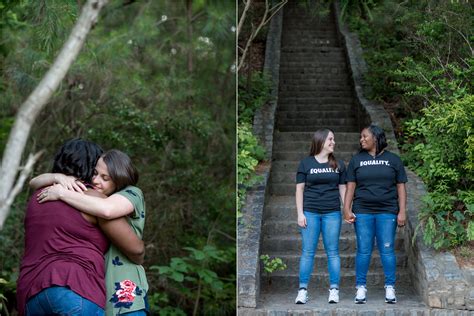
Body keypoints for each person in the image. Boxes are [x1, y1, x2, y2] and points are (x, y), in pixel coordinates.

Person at [17, 139, 144, 316]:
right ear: (92, 166)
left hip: (31, 295)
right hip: (76, 288)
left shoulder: (38, 196)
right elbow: (135, 248)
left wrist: (55, 180)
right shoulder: (92, 198)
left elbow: (34, 182)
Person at [343, 124, 407, 304]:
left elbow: (401, 186)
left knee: (387, 249)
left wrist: (402, 211)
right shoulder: (357, 160)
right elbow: (350, 186)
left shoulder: (393, 160)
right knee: (363, 249)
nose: (361, 139)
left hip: (388, 211)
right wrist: (346, 208)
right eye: (361, 137)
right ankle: (361, 288)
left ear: (376, 138)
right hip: (363, 211)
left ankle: (390, 288)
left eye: (365, 136)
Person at [294, 129, 347, 304]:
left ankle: (334, 290)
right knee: (308, 252)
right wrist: (300, 213)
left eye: (334, 139)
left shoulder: (338, 164)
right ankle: (302, 290)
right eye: (331, 139)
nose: (334, 142)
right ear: (321, 141)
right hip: (310, 212)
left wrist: (347, 209)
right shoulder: (305, 163)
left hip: (332, 213)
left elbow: (342, 189)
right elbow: (299, 189)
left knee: (333, 252)